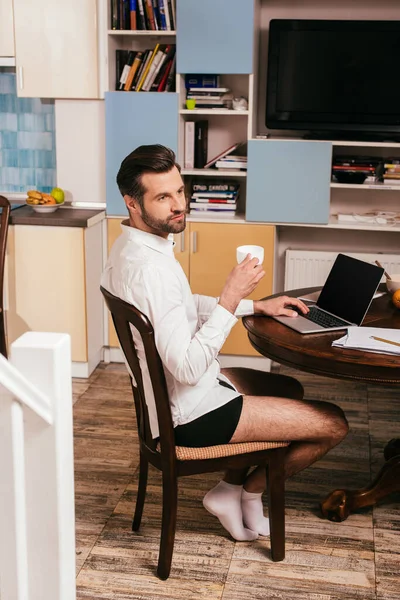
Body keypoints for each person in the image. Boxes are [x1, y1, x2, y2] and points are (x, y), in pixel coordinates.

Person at [101, 144, 349, 542]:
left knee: (288, 388)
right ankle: (248, 491)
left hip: (171, 396)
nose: (179, 204)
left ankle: (231, 492)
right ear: (132, 203)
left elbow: (180, 306)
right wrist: (230, 298)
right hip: (190, 414)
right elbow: (187, 367)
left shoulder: (131, 248)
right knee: (333, 423)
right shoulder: (151, 271)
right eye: (163, 197)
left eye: (180, 191)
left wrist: (256, 305)